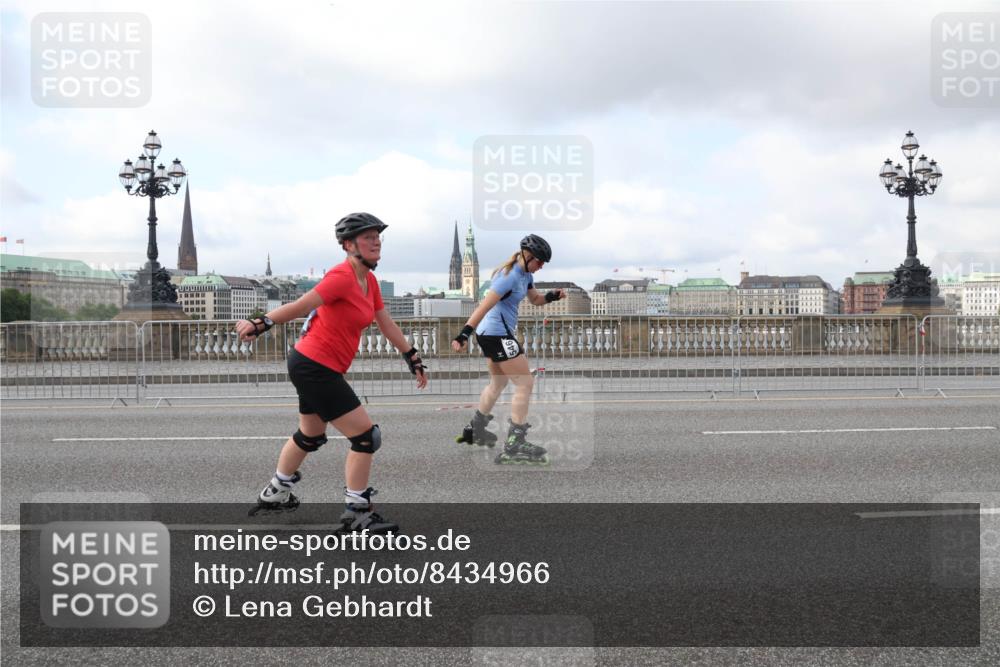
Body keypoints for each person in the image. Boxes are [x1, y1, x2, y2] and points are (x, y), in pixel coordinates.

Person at [236, 212, 427, 533]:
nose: (376, 241)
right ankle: (357, 512)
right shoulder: (342, 276)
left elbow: (384, 321)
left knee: (310, 435)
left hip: (312, 363)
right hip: (315, 366)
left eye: (378, 236)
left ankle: (276, 491)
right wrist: (262, 322)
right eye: (368, 237)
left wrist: (411, 354)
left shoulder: (370, 281)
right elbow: (303, 303)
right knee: (366, 437)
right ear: (348, 244)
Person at [451, 234, 565, 465]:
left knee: (499, 383)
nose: (541, 266)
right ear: (527, 255)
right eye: (539, 261)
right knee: (525, 383)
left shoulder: (526, 275)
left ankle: (476, 429)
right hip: (495, 333)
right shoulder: (508, 277)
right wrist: (463, 334)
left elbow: (535, 300)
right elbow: (483, 306)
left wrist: (552, 296)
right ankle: (515, 442)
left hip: (492, 334)